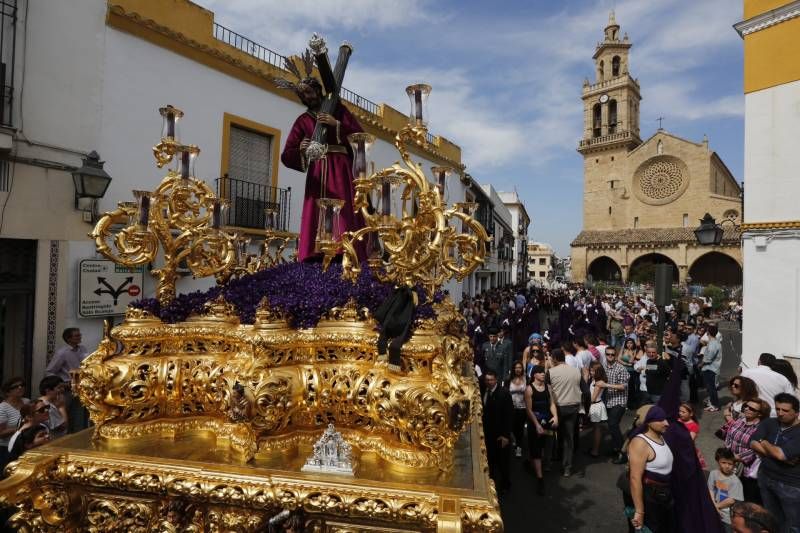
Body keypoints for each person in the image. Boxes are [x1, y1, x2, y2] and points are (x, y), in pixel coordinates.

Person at [280, 76, 365, 262]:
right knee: (316, 213)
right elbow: (287, 154)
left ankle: (346, 251)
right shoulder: (303, 121)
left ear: (318, 91)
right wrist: (301, 150)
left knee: (345, 212)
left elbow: (360, 136)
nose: (307, 97)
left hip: (341, 169)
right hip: (318, 172)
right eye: (303, 95)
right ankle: (315, 254)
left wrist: (337, 125)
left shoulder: (338, 110)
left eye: (309, 92)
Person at [750, 393, 800, 532]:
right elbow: (753, 442)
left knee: (793, 524)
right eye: (778, 409)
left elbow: (781, 454)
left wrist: (764, 441)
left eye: (785, 410)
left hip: (790, 485)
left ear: (796, 413)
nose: (780, 413)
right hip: (766, 477)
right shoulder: (769, 422)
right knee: (772, 519)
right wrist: (773, 451)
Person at [627, 406, 674, 533]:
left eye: (666, 419)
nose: (666, 423)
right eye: (661, 420)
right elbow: (635, 478)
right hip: (650, 497)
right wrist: (640, 512)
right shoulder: (640, 443)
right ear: (649, 421)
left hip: (664, 495)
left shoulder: (661, 436)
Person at [726, 398, 770, 504]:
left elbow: (755, 449)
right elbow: (729, 435)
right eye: (746, 406)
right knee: (728, 493)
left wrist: (737, 457)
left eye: (752, 409)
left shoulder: (762, 428)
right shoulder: (740, 420)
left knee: (747, 500)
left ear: (760, 414)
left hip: (747, 470)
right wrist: (727, 453)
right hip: (730, 463)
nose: (747, 409)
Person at [547, 348, 583, 478]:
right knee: (569, 437)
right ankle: (567, 466)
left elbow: (547, 391)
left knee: (554, 433)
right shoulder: (576, 371)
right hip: (573, 407)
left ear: (555, 358)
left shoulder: (551, 372)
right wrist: (586, 408)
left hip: (557, 407)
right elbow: (586, 392)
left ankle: (552, 458)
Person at [45, 327, 89, 432]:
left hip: (81, 388)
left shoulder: (83, 349)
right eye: (77, 335)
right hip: (67, 389)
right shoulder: (62, 353)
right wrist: (61, 384)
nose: (80, 337)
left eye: (80, 335)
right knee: (66, 414)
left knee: (80, 417)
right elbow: (50, 371)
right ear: (69, 339)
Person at [524, 364, 557, 495]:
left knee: (547, 445)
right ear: (534, 375)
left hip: (547, 421)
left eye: (543, 372)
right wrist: (537, 424)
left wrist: (556, 416)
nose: (543, 374)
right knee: (536, 448)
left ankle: (533, 464)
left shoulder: (548, 387)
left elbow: (552, 404)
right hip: (535, 422)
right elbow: (529, 410)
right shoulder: (529, 389)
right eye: (540, 372)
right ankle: (540, 478)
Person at [482, 370, 513, 494]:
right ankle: (492, 484)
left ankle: (505, 485)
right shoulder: (485, 391)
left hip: (501, 434)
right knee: (491, 459)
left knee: (503, 461)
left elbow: (509, 415)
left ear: (496, 380)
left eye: (491, 380)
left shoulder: (504, 394)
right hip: (488, 433)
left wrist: (506, 435)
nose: (489, 382)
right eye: (487, 380)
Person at [709, 447, 745, 532]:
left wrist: (715, 506)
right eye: (723, 462)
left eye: (730, 463)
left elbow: (731, 500)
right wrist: (713, 505)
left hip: (727, 518)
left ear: (734, 464)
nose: (727, 466)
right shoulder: (713, 474)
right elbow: (710, 489)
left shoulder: (735, 481)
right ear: (718, 461)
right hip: (714, 511)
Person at [0, 377, 29, 470]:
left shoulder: (27, 402)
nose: (20, 388)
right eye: (16, 386)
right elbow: (1, 433)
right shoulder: (3, 407)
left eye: (22, 385)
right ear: (8, 392)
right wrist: (20, 428)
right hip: (7, 448)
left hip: (24, 446)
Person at [699, 324, 723, 412]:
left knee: (711, 388)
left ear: (708, 333)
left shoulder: (713, 344)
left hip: (710, 368)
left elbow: (708, 358)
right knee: (710, 388)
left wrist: (701, 364)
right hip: (711, 368)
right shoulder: (714, 342)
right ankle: (712, 403)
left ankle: (715, 405)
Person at [587, 361, 608, 458]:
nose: (591, 372)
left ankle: (595, 450)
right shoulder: (596, 380)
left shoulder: (598, 382)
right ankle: (594, 449)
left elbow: (592, 399)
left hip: (595, 406)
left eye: (593, 371)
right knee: (596, 428)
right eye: (590, 370)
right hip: (596, 405)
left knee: (596, 429)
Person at [508, 361, 527, 458]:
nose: (518, 369)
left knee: (520, 429)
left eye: (519, 367)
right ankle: (514, 441)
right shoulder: (509, 380)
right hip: (511, 408)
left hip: (522, 407)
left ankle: (519, 448)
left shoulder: (526, 379)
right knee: (511, 428)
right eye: (516, 367)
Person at [678, 402, 707, 469]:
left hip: (687, 450)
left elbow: (689, 440)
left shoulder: (693, 425)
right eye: (679, 411)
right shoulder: (678, 420)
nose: (680, 413)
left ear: (691, 414)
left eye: (683, 412)